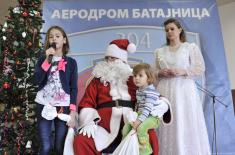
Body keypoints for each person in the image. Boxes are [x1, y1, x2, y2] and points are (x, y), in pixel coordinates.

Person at [73, 39, 164, 155]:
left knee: (149, 135)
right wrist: (89, 121)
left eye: (112, 58)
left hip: (131, 124)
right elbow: (87, 102)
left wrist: (163, 103)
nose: (108, 61)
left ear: (122, 61)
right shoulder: (97, 80)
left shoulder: (133, 79)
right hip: (103, 127)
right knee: (82, 140)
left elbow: (150, 92)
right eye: (107, 58)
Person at [154, 18, 211, 155]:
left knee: (184, 120)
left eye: (172, 29)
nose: (169, 32)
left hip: (184, 90)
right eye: (167, 30)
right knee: (167, 122)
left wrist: (183, 71)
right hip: (165, 91)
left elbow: (200, 67)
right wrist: (160, 72)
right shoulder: (159, 51)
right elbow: (153, 73)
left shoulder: (189, 47)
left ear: (180, 30)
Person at [33, 26, 78, 155]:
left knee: (60, 146)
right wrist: (47, 61)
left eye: (57, 36)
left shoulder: (71, 62)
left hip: (63, 106)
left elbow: (73, 88)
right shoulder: (43, 59)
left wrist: (73, 113)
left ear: (64, 40)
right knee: (46, 146)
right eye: (51, 36)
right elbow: (36, 80)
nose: (54, 38)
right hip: (43, 104)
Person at [122, 63, 168, 155]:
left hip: (152, 117)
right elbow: (139, 106)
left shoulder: (150, 92)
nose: (136, 78)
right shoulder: (139, 91)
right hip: (142, 114)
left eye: (140, 75)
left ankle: (145, 150)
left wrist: (139, 121)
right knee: (126, 127)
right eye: (134, 76)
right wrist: (134, 117)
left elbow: (147, 109)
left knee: (141, 127)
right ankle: (126, 147)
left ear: (148, 77)